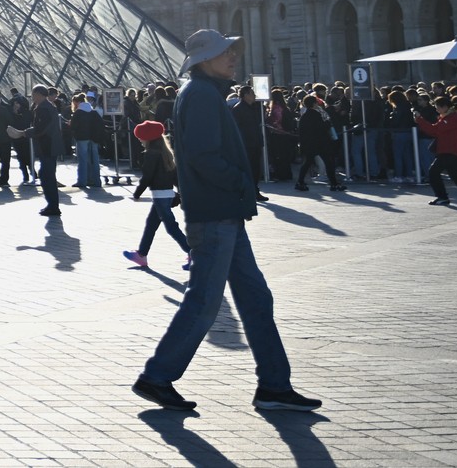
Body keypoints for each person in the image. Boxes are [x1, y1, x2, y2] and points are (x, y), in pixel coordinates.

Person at [134, 29, 320, 413]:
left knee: (255, 298)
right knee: (204, 300)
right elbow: (204, 156)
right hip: (216, 213)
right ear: (204, 60)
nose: (233, 56)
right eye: (224, 52)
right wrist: (240, 184)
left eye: (232, 51)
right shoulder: (200, 96)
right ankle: (157, 376)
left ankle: (274, 385)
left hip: (224, 213)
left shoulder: (204, 93)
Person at [123, 120, 190, 271]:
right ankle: (141, 254)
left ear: (148, 138)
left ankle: (192, 252)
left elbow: (147, 177)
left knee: (171, 227)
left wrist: (137, 193)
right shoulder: (165, 153)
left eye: (141, 137)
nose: (139, 140)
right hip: (165, 194)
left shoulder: (150, 155)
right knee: (151, 224)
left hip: (159, 195)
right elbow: (174, 176)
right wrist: (179, 192)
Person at [415, 95, 457, 207]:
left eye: (438, 107)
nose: (437, 110)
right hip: (447, 149)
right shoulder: (447, 117)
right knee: (455, 175)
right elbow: (434, 130)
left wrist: (420, 120)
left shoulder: (453, 118)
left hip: (448, 150)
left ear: (445, 107)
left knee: (433, 172)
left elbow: (434, 130)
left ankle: (442, 197)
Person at [27, 86, 64, 216]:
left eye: (33, 94)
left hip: (47, 146)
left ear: (39, 94)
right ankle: (52, 205)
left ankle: (53, 206)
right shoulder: (49, 106)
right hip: (50, 146)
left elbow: (40, 128)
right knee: (46, 174)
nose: (32, 97)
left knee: (47, 176)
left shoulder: (43, 108)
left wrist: (24, 133)